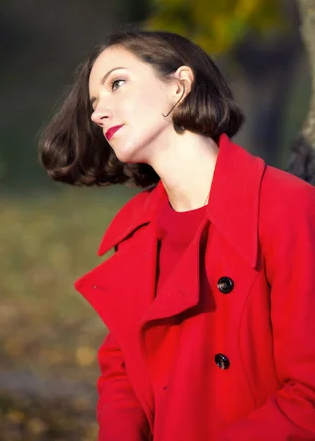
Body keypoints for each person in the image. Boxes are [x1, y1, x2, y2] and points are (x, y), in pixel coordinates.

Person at [38, 30, 315, 441]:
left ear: (180, 86)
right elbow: (124, 374)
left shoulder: (286, 207)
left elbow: (309, 394)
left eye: (117, 84)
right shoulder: (138, 234)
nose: (98, 114)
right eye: (95, 104)